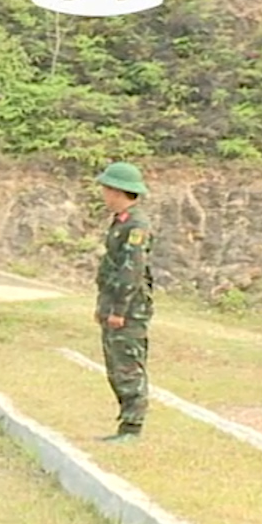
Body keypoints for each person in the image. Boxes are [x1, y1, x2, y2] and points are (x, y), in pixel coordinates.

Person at [93, 162, 157, 442]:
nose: (103, 195)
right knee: (115, 364)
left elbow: (131, 270)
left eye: (107, 189)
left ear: (119, 191)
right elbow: (111, 268)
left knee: (128, 365)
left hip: (130, 308)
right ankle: (126, 423)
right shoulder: (121, 221)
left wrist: (119, 310)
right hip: (114, 304)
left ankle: (132, 426)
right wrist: (103, 306)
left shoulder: (136, 225)